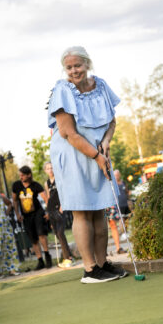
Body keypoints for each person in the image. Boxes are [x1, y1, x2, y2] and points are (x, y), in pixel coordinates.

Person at [47, 46, 127, 283]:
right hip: (72, 155)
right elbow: (67, 133)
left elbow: (111, 121)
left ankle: (103, 263)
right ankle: (90, 270)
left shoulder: (100, 86)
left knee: (100, 210)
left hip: (96, 153)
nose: (74, 71)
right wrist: (97, 156)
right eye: (69, 67)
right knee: (83, 211)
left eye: (78, 65)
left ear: (87, 64)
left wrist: (106, 143)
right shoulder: (62, 90)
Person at [12, 166, 52, 270]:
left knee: (41, 235)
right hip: (26, 216)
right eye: (20, 175)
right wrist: (17, 214)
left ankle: (47, 256)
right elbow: (15, 201)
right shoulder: (16, 186)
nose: (20, 177)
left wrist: (48, 211)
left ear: (29, 175)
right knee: (33, 239)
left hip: (38, 213)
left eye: (23, 175)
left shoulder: (35, 185)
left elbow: (45, 198)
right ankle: (40, 261)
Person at [44, 162, 75, 268]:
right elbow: (48, 197)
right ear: (45, 171)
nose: (50, 170)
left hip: (60, 208)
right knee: (57, 233)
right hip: (51, 209)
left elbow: (64, 192)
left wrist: (62, 205)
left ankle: (68, 258)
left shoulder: (60, 179)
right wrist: (48, 212)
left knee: (61, 232)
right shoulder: (47, 183)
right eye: (48, 168)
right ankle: (68, 256)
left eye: (52, 167)